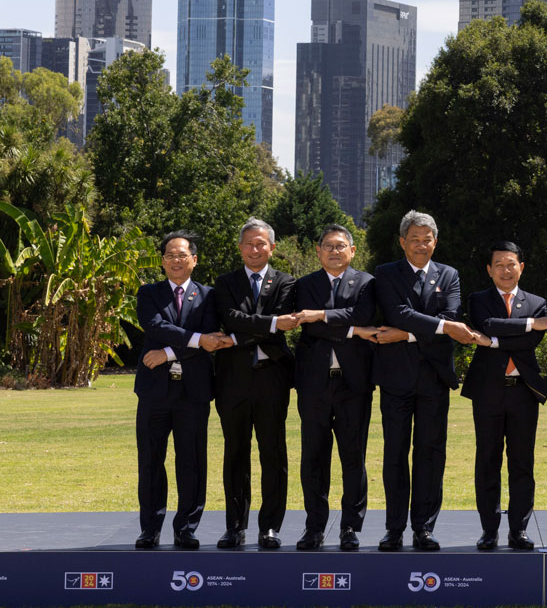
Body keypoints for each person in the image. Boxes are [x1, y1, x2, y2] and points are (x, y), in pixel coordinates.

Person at [372, 210, 476, 552]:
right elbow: (398, 312)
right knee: (395, 453)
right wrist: (441, 329)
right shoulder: (386, 274)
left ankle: (424, 528)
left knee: (431, 453)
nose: (421, 245)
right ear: (403, 242)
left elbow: (451, 316)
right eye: (414, 239)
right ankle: (394, 529)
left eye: (427, 239)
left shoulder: (449, 275)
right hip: (396, 379)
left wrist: (406, 334)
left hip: (434, 378)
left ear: (435, 242)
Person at [133, 230, 230, 549]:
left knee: (192, 461)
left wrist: (168, 353)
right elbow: (156, 327)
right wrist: (197, 339)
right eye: (169, 255)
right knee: (150, 460)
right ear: (162, 262)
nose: (176, 260)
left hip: (194, 392)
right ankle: (150, 527)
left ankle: (186, 527)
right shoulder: (148, 293)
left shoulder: (209, 295)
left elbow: (211, 338)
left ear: (194, 260)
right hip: (154, 392)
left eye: (182, 255)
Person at [212, 218, 298, 550]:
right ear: (240, 248)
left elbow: (272, 327)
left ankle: (270, 527)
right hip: (232, 380)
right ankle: (235, 526)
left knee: (273, 452)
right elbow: (230, 317)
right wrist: (271, 323)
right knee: (235, 452)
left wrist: (238, 335)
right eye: (248, 243)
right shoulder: (225, 282)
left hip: (272, 378)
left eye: (261, 243)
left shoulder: (287, 282)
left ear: (272, 247)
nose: (254, 249)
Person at [460, 241, 547, 551]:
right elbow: (486, 324)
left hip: (523, 393)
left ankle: (519, 531)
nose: (505, 269)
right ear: (489, 269)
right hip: (488, 392)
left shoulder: (538, 302)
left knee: (522, 463)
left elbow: (530, 343)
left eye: (510, 263)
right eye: (498, 264)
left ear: (521, 267)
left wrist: (493, 341)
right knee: (487, 460)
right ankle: (489, 530)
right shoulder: (478, 299)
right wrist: (525, 326)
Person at [292, 224, 379, 551]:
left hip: (354, 383)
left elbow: (364, 313)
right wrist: (354, 330)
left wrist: (319, 316)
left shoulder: (367, 283)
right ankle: (314, 526)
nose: (334, 251)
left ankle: (350, 527)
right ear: (318, 251)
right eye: (327, 245)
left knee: (352, 456)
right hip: (313, 385)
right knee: (313, 456)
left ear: (352, 251)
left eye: (340, 246)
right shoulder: (304, 285)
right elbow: (310, 329)